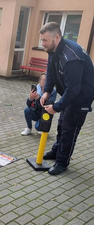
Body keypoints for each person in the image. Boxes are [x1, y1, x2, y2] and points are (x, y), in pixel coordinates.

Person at [39, 22, 94, 175]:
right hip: (70, 94)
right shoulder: (53, 50)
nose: (42, 44)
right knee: (62, 125)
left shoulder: (71, 58)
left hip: (81, 97)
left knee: (70, 130)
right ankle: (56, 151)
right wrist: (47, 91)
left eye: (45, 40)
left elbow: (74, 90)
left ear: (56, 37)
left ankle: (62, 162)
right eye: (41, 40)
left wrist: (56, 107)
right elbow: (50, 70)